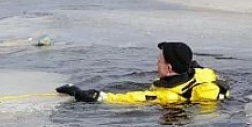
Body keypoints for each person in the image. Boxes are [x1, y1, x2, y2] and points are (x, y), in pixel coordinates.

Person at [56, 42, 230, 105]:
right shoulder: (203, 73)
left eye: (160, 61)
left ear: (169, 69)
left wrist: (79, 93)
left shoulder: (166, 96)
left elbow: (126, 98)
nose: (156, 63)